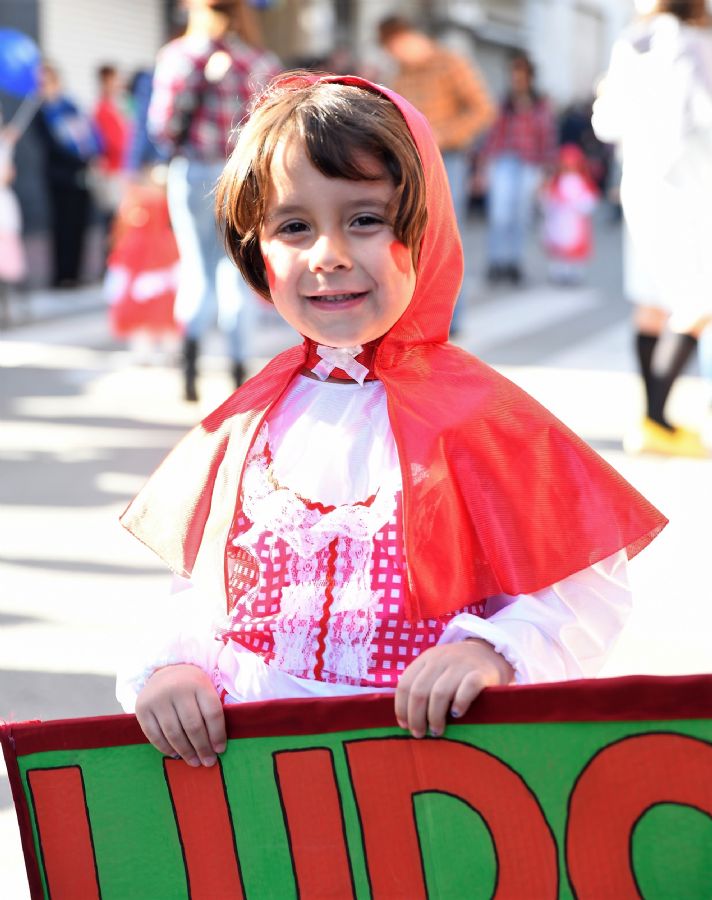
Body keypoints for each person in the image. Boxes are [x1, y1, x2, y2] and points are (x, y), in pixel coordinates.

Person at [116, 73, 666, 767]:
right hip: (257, 778)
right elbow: (208, 588)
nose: (329, 254)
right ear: (255, 249)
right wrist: (173, 668)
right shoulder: (249, 418)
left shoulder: (479, 416)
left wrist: (491, 651)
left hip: (425, 779)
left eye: (365, 219)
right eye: (294, 226)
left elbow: (582, 589)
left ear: (425, 225)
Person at [592, 0, 712, 457]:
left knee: (651, 303)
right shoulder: (697, 43)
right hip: (692, 186)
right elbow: (701, 116)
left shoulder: (630, 41)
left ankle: (652, 421)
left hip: (641, 186)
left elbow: (605, 123)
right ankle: (656, 420)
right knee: (699, 300)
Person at [148, 0, 281, 402]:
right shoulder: (260, 60)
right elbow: (274, 124)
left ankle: (190, 373)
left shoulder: (180, 57)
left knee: (197, 267)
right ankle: (239, 374)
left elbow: (163, 127)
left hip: (194, 171)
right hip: (246, 176)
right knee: (238, 272)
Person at [377, 15, 494, 333]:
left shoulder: (451, 63)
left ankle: (452, 318)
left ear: (411, 36)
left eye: (397, 46)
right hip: (408, 160)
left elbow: (483, 108)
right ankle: (417, 314)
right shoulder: (400, 72)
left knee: (445, 235)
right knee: (411, 234)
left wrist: (445, 134)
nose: (396, 54)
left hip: (448, 158)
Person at [483, 53, 557, 286]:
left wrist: (547, 171)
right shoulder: (504, 103)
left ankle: (514, 262)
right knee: (499, 215)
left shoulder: (540, 104)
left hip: (530, 164)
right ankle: (496, 261)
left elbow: (547, 138)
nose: (517, 80)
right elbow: (493, 136)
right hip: (503, 162)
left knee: (520, 216)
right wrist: (484, 165)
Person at [34, 62, 100, 288]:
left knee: (79, 223)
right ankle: (61, 274)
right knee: (61, 225)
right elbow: (51, 146)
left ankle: (75, 271)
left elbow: (90, 135)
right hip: (59, 177)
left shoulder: (71, 106)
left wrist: (90, 156)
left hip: (81, 175)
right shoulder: (41, 112)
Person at [540, 143, 598, 285]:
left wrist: (576, 203)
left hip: (575, 223)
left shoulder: (583, 182)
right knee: (558, 250)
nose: (569, 169)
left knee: (575, 251)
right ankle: (558, 272)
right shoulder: (555, 183)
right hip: (558, 221)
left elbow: (589, 202)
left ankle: (574, 273)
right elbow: (546, 201)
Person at [92, 64, 131, 221]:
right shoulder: (102, 109)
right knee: (114, 220)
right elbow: (114, 142)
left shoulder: (120, 105)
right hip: (113, 171)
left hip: (122, 168)